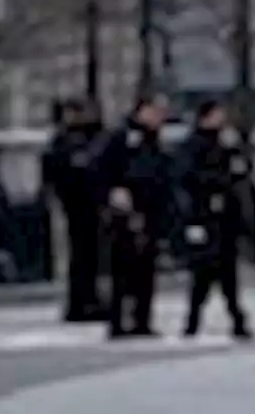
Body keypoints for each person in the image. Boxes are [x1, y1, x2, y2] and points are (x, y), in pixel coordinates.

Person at [176, 101, 254, 339]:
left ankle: (236, 318)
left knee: (227, 272)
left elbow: (240, 172)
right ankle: (194, 318)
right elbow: (188, 176)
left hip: (226, 216)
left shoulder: (226, 145)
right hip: (204, 214)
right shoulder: (194, 146)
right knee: (204, 271)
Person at [98, 95, 173, 339]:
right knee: (123, 268)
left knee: (145, 270)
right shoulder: (122, 139)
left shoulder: (155, 141)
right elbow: (102, 169)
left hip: (150, 210)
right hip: (125, 211)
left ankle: (142, 319)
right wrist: (113, 192)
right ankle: (118, 319)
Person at [42, 98, 108, 322]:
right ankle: (80, 302)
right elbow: (58, 173)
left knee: (92, 255)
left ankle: (91, 298)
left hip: (91, 203)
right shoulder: (64, 141)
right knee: (79, 255)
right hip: (75, 204)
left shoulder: (93, 138)